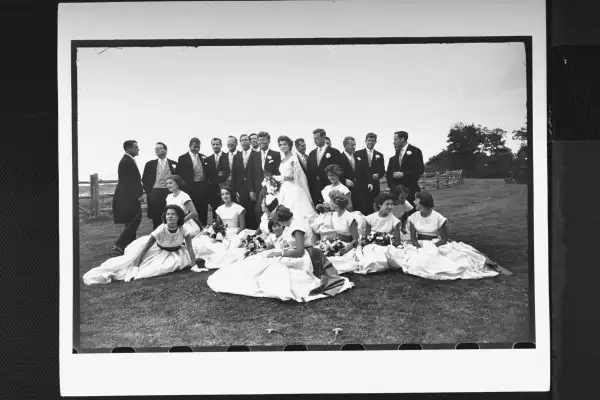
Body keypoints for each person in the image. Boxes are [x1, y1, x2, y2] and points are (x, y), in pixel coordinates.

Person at [206, 205, 354, 302]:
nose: (278, 225)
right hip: (298, 253)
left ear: (282, 220)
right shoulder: (292, 225)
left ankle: (258, 280)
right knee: (263, 256)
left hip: (308, 256)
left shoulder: (297, 227)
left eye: (278, 222)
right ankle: (241, 274)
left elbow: (300, 250)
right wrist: (278, 251)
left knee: (272, 262)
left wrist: (280, 253)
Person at [386, 191, 500, 280]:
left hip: (436, 242)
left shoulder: (439, 218)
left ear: (423, 202)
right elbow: (413, 238)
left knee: (448, 259)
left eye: (416, 199)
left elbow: (444, 239)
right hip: (419, 243)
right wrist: (418, 246)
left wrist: (433, 245)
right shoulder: (413, 217)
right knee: (416, 259)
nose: (414, 202)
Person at [83, 205, 198, 285]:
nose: (170, 216)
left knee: (169, 266)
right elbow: (144, 249)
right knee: (146, 269)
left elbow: (190, 247)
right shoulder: (161, 229)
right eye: (168, 214)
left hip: (176, 252)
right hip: (157, 252)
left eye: (173, 214)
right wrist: (136, 267)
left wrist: (194, 265)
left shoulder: (183, 228)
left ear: (179, 217)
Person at [192, 186, 250, 271]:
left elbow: (242, 226)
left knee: (232, 248)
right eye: (222, 194)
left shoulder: (238, 208)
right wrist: (211, 229)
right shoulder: (220, 209)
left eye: (227, 193)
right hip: (224, 232)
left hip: (236, 231)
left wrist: (235, 235)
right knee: (207, 239)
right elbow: (218, 224)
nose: (225, 196)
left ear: (231, 195)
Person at [112, 140, 145, 255]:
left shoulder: (128, 160)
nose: (138, 149)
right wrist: (139, 195)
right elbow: (131, 182)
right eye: (136, 147)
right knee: (135, 219)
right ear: (128, 148)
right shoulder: (127, 161)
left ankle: (129, 246)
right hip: (129, 196)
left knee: (132, 219)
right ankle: (120, 244)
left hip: (128, 195)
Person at [355, 193, 401, 274]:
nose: (390, 207)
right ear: (380, 205)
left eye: (391, 204)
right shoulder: (370, 218)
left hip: (387, 245)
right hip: (372, 244)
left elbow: (397, 240)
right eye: (387, 204)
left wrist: (387, 241)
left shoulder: (394, 220)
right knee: (369, 252)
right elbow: (367, 236)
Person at [317, 190, 360, 274]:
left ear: (337, 204)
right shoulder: (334, 214)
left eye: (331, 202)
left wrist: (347, 249)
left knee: (334, 260)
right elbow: (326, 210)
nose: (329, 204)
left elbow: (356, 239)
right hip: (338, 242)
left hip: (349, 245)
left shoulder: (349, 218)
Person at [276, 135, 317, 222]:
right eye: (280, 145)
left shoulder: (294, 158)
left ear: (289, 145)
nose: (282, 146)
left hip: (294, 188)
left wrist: (283, 177)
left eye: (284, 144)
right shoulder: (283, 160)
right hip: (284, 188)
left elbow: (296, 176)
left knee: (296, 210)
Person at [141, 142, 178, 230]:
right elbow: (144, 179)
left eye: (160, 148)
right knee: (156, 219)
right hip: (155, 194)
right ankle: (157, 239)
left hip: (169, 193)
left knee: (170, 216)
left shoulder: (174, 164)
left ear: (165, 150)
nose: (157, 150)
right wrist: (149, 193)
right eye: (156, 148)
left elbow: (178, 180)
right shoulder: (149, 164)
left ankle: (171, 236)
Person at [248, 131, 281, 225]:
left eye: (264, 140)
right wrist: (251, 190)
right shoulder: (254, 155)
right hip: (257, 188)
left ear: (269, 141)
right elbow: (250, 173)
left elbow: (278, 172)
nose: (261, 142)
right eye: (260, 140)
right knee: (258, 211)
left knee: (270, 210)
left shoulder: (276, 155)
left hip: (271, 188)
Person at [385, 131, 425, 211]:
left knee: (412, 217)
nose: (394, 142)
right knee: (397, 218)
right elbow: (389, 174)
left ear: (402, 139)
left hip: (411, 191)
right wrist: (393, 187)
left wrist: (404, 174)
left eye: (395, 139)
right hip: (395, 194)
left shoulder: (415, 151)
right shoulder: (394, 156)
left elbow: (420, 170)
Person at [176, 137, 210, 226]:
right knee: (191, 212)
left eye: (198, 147)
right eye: (194, 147)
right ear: (190, 146)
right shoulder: (182, 158)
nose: (197, 149)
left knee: (203, 210)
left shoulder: (204, 157)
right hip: (189, 189)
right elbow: (179, 175)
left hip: (202, 188)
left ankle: (203, 228)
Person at [306, 128, 342, 206]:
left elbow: (339, 170)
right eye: (314, 138)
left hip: (329, 187)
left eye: (316, 138)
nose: (314, 141)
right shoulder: (312, 154)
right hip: (315, 189)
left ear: (323, 137)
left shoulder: (334, 152)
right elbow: (310, 171)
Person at [354, 132, 386, 216]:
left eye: (373, 141)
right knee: (362, 207)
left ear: (375, 142)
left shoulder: (380, 155)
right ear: (365, 141)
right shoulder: (357, 154)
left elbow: (382, 170)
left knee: (373, 207)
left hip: (375, 186)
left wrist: (378, 175)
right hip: (361, 185)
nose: (370, 142)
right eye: (369, 140)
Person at [231, 134, 256, 229]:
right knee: (243, 210)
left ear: (250, 141)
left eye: (246, 140)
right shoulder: (237, 156)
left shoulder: (256, 154)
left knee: (253, 211)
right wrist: (235, 190)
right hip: (241, 189)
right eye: (242, 140)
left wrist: (253, 189)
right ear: (240, 143)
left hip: (253, 187)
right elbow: (234, 174)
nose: (244, 142)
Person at [205, 138, 231, 222]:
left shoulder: (227, 156)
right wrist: (217, 177)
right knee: (215, 208)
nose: (215, 146)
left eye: (217, 144)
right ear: (211, 146)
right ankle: (215, 226)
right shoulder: (208, 159)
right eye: (213, 144)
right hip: (213, 188)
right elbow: (208, 174)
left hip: (225, 185)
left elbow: (227, 172)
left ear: (221, 145)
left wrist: (219, 178)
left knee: (225, 206)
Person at [338, 136, 360, 210]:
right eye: (352, 145)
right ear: (345, 146)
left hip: (359, 191)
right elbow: (338, 174)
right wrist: (344, 180)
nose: (354, 147)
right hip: (347, 192)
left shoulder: (358, 156)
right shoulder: (339, 158)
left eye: (355, 145)